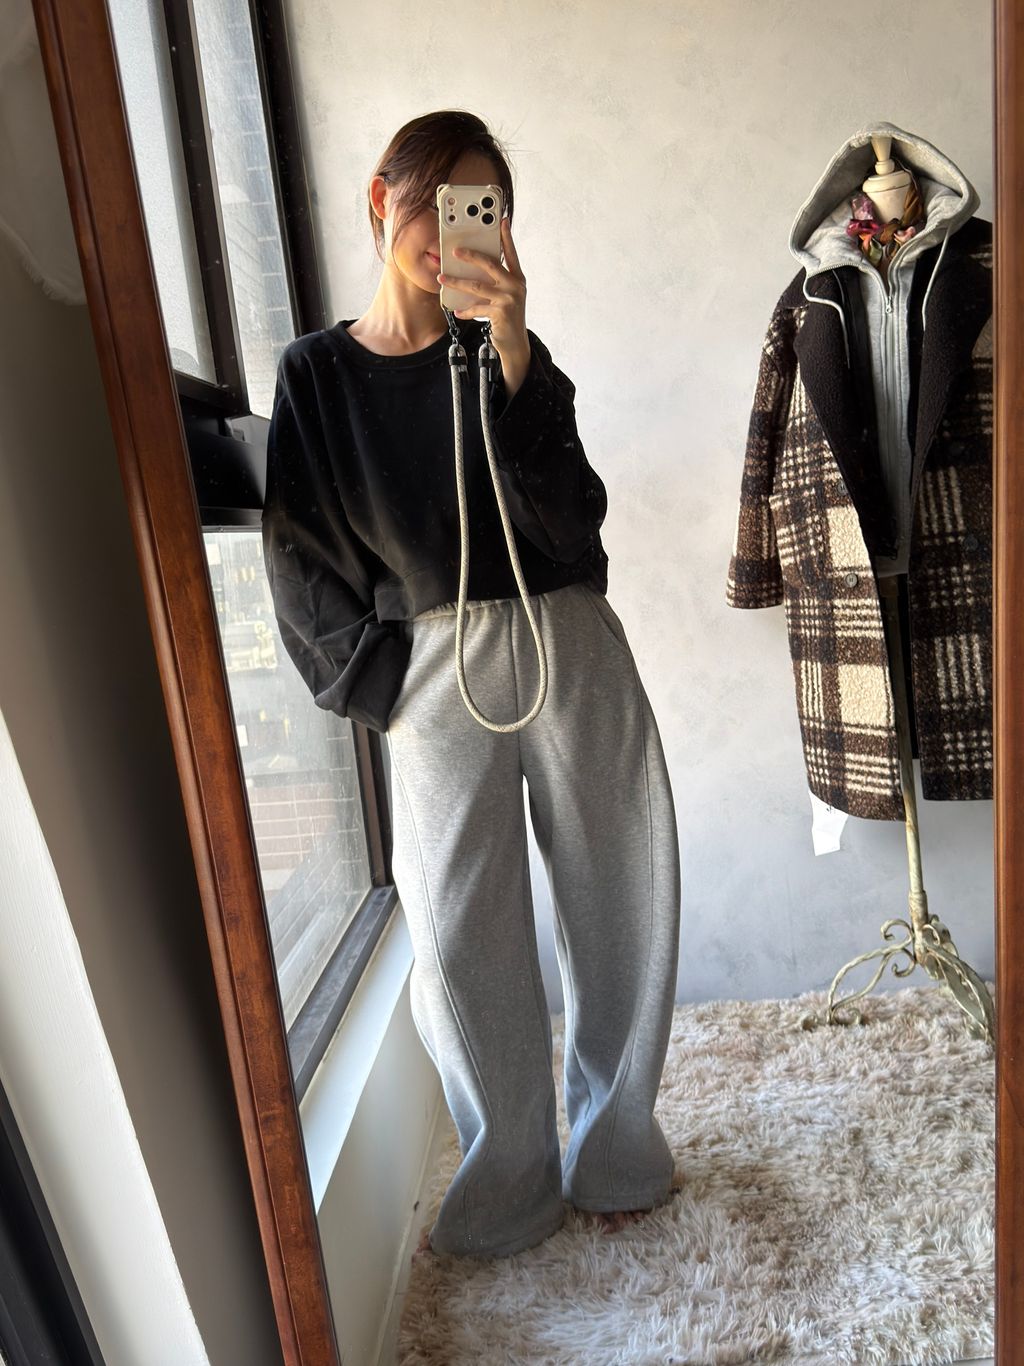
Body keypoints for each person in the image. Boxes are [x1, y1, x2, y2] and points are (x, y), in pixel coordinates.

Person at [261, 109, 682, 1259]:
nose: (453, 232)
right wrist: (380, 680)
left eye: (481, 209)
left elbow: (574, 525)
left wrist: (511, 354)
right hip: (431, 666)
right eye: (440, 203)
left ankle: (617, 1151)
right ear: (382, 199)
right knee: (455, 930)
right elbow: (299, 555)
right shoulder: (317, 374)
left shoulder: (508, 361)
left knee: (621, 891)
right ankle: (508, 1181)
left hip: (566, 638)